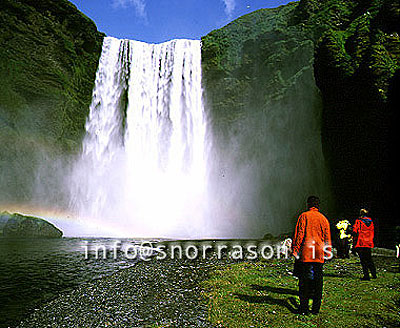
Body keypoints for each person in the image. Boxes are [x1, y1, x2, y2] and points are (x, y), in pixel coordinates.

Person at [292, 196, 332, 315]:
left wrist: (295, 249)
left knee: (304, 282)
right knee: (318, 282)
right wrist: (327, 252)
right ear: (318, 205)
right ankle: (315, 309)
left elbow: (300, 234)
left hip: (307, 253)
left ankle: (304, 308)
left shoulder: (304, 216)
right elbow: (327, 238)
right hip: (319, 254)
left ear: (308, 204)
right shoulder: (324, 219)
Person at [353, 209, 377, 280]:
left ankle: (366, 275)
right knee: (369, 259)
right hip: (369, 242)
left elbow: (355, 231)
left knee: (363, 260)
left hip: (361, 242)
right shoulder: (371, 221)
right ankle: (374, 273)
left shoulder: (359, 221)